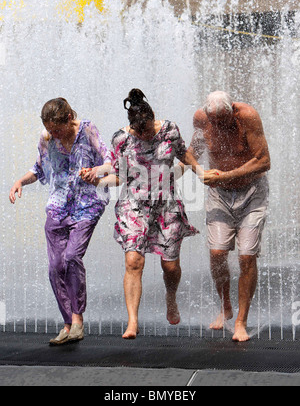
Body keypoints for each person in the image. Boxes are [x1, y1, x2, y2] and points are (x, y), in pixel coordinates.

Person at [94, 89, 202, 339]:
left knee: (171, 266)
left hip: (166, 205)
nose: (146, 135)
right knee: (133, 262)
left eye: (149, 130)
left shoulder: (169, 131)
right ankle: (132, 321)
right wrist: (97, 182)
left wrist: (202, 174)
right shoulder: (121, 140)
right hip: (134, 206)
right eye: (141, 132)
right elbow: (119, 175)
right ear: (132, 127)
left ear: (154, 120)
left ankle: (171, 297)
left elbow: (184, 154)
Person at [9, 98, 111, 346]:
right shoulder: (46, 138)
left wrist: (96, 171)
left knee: (72, 257)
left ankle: (77, 320)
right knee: (55, 266)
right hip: (58, 207)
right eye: (49, 130)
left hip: (87, 204)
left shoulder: (87, 130)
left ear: (68, 119)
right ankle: (68, 324)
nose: (53, 134)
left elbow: (110, 162)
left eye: (56, 129)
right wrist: (20, 181)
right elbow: (39, 168)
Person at [183, 91, 271, 342]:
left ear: (232, 109)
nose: (219, 126)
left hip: (252, 193)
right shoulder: (202, 119)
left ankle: (241, 321)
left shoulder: (248, 117)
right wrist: (200, 172)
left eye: (224, 120)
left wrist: (225, 175)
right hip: (220, 195)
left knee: (246, 256)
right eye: (215, 122)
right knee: (217, 253)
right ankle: (225, 306)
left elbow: (264, 161)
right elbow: (192, 152)